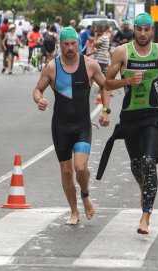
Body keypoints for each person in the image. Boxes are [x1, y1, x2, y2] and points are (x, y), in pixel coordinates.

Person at [102, 13, 158, 235]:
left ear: (152, 31)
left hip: (153, 116)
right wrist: (126, 81)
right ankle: (144, 189)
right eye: (140, 29)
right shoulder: (122, 52)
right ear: (134, 30)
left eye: (147, 29)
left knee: (149, 162)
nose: (144, 33)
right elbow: (107, 83)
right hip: (130, 118)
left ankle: (146, 215)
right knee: (137, 165)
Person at [33, 27, 108, 225]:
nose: (69, 48)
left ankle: (85, 195)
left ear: (78, 43)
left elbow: (105, 85)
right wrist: (39, 100)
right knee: (67, 172)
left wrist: (106, 110)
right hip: (60, 127)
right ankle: (74, 211)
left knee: (81, 167)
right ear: (60, 46)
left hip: (82, 126)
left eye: (73, 43)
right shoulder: (51, 67)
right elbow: (37, 89)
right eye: (65, 44)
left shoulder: (90, 65)